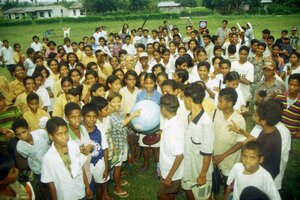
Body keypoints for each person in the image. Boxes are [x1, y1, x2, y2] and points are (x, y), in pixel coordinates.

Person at [41, 117, 93, 199]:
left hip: (80, 190)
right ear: (51, 136)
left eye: (66, 132)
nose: (64, 137)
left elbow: (81, 167)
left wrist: (87, 186)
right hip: (65, 195)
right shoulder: (48, 158)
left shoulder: (74, 146)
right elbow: (51, 184)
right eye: (59, 134)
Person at [181, 83, 214, 200]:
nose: (183, 100)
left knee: (203, 197)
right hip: (188, 168)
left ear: (189, 99)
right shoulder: (189, 116)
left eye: (184, 97)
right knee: (189, 193)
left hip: (199, 171)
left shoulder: (206, 123)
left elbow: (207, 153)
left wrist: (203, 175)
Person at [107, 92, 140, 198]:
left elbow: (124, 121)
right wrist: (132, 115)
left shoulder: (119, 111)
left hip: (122, 142)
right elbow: (121, 124)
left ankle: (119, 180)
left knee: (119, 166)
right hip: (116, 146)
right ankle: (117, 188)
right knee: (117, 167)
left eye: (118, 102)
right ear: (109, 103)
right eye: (113, 102)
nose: (117, 104)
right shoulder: (110, 115)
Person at [212, 88, 246, 187]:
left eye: (220, 101)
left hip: (229, 159)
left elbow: (240, 142)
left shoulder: (239, 120)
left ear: (229, 103)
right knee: (215, 179)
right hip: (214, 156)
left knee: (229, 183)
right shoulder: (215, 113)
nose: (217, 103)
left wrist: (222, 156)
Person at [13, 118, 50, 199]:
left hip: (51, 166)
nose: (22, 136)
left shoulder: (42, 133)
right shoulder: (20, 147)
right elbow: (26, 156)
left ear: (29, 129)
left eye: (24, 132)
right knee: (44, 187)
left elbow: (50, 143)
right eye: (18, 134)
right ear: (16, 136)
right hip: (38, 169)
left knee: (54, 185)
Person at [157, 94, 185, 200]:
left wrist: (169, 176)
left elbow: (179, 156)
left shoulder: (174, 129)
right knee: (170, 193)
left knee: (161, 195)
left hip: (172, 171)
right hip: (168, 167)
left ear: (163, 109)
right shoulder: (173, 121)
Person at [82, 103, 111, 200]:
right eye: (88, 116)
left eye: (94, 116)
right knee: (87, 188)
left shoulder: (99, 129)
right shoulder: (80, 131)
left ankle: (101, 197)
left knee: (99, 185)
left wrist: (106, 168)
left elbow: (105, 149)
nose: (92, 119)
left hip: (99, 162)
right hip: (85, 165)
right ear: (83, 117)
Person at [274, 73, 300, 138]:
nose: (292, 87)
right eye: (290, 84)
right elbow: (272, 113)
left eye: (295, 85)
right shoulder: (279, 97)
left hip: (291, 136)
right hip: (276, 132)